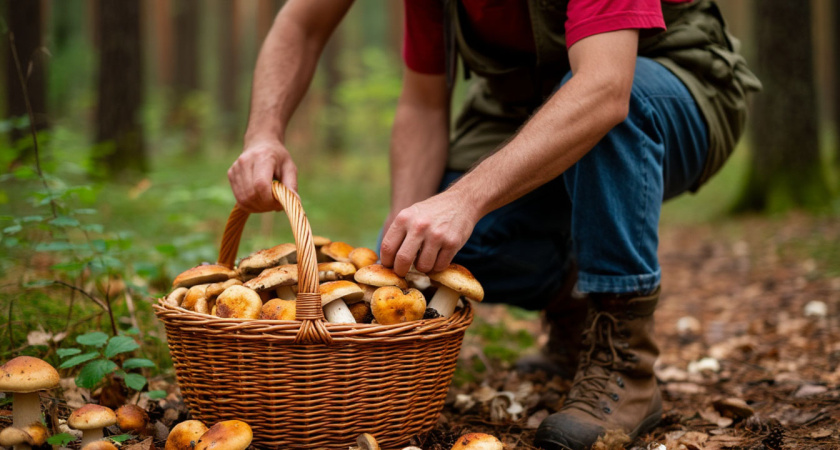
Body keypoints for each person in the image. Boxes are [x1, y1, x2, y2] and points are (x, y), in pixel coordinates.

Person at [227, 1, 760, 448]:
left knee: (611, 109)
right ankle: (574, 296)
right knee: (433, 264)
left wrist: (465, 200)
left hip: (671, 87)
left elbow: (605, 89)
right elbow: (409, 94)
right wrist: (399, 252)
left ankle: (627, 356)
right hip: (523, 108)